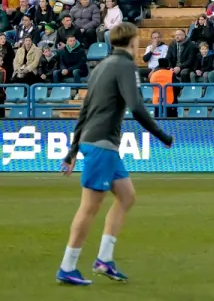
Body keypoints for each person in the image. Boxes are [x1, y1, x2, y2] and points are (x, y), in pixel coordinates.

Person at [56, 22, 173, 285]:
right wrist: (162, 136)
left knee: (127, 196)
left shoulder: (101, 67)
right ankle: (68, 266)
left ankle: (104, 260)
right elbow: (137, 107)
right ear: (133, 42)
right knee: (89, 207)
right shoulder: (127, 66)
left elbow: (84, 111)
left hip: (94, 141)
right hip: (103, 144)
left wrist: (72, 149)